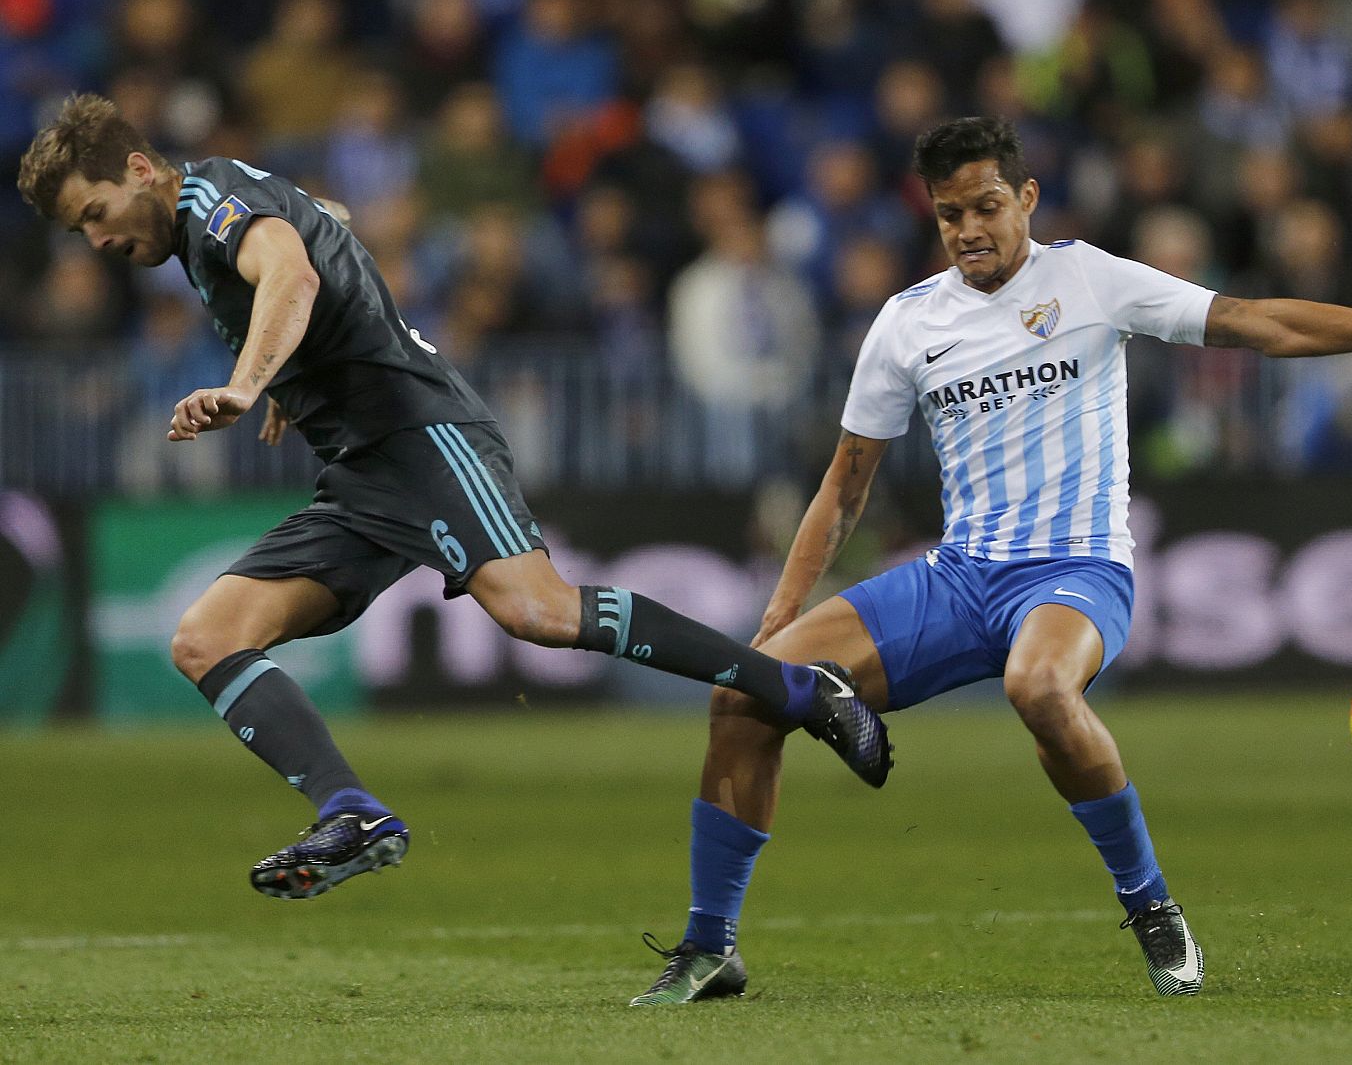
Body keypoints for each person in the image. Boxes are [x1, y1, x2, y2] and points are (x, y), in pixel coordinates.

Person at [630, 116, 1352, 1005]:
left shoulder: (1090, 279)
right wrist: (778, 620)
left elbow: (1255, 322)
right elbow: (845, 483)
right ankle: (711, 946)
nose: (969, 229)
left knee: (1039, 686)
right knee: (741, 695)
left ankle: (1150, 903)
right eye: (949, 214)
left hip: (1078, 570)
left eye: (986, 206)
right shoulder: (907, 322)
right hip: (959, 577)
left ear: (1026, 197)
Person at [16, 94, 893, 901]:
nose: (95, 240)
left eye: (93, 214)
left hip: (423, 435)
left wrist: (248, 383)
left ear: (139, 170)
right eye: (77, 230)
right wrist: (288, 374)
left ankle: (800, 687)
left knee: (538, 611)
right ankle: (352, 811)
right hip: (363, 475)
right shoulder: (220, 204)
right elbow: (328, 223)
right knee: (205, 637)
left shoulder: (213, 209)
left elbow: (294, 275)